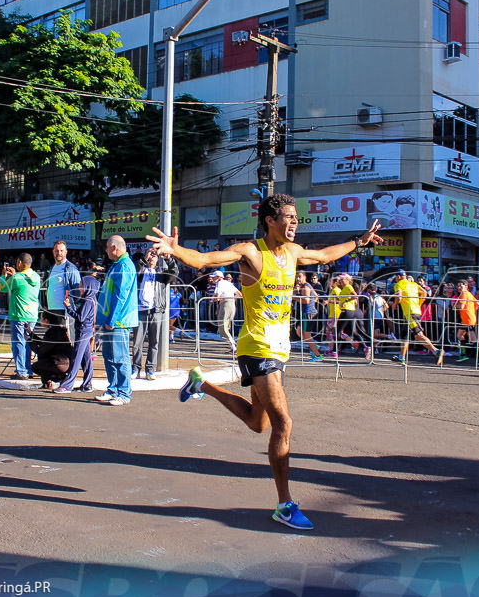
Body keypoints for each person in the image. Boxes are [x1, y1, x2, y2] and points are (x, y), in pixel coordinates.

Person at [146, 193, 383, 531]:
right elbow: (204, 260)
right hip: (256, 346)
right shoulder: (250, 252)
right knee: (283, 422)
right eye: (289, 217)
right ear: (270, 220)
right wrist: (175, 250)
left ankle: (201, 384)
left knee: (260, 424)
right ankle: (285, 505)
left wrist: (358, 242)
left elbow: (325, 254)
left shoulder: (293, 252)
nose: (295, 223)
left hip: (279, 349)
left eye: (297, 218)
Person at [95, 235, 138, 406]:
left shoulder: (125, 266)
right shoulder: (117, 265)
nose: (105, 251)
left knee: (120, 357)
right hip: (111, 320)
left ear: (114, 248)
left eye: (106, 247)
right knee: (109, 356)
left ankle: (124, 393)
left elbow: (121, 296)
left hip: (118, 321)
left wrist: (112, 320)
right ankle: (113, 389)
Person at [131, 247, 179, 380]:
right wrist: (143, 259)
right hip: (140, 310)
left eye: (154, 255)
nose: (152, 257)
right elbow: (135, 270)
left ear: (158, 259)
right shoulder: (140, 271)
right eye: (150, 255)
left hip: (156, 310)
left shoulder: (162, 273)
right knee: (137, 342)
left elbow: (174, 272)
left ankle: (150, 369)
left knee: (154, 341)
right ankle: (135, 368)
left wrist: (168, 259)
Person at [57, 274, 99, 393]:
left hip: (83, 332)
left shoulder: (88, 301)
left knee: (76, 358)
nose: (80, 288)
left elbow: (80, 317)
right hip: (87, 331)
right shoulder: (91, 299)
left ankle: (67, 385)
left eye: (82, 285)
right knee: (86, 359)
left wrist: (69, 308)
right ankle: (87, 384)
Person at [391, 270, 441, 365]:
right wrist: (419, 303)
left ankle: (436, 351)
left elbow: (399, 296)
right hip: (414, 311)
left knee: (418, 335)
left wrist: (394, 304)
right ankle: (401, 357)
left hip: (410, 313)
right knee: (405, 335)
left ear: (398, 276)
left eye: (396, 277)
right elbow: (424, 292)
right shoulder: (413, 284)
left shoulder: (398, 284)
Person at [8, 252, 41, 379]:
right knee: (28, 342)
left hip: (19, 314)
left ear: (20, 263)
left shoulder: (16, 279)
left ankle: (21, 370)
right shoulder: (37, 277)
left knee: (18, 342)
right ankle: (28, 369)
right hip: (32, 313)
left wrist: (4, 275)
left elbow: (2, 287)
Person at [46, 240, 81, 340]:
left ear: (66, 252)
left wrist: (73, 307)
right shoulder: (52, 268)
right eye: (57, 251)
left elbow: (77, 291)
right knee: (54, 339)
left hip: (65, 310)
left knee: (67, 339)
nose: (59, 253)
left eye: (61, 250)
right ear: (53, 252)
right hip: (52, 309)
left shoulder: (71, 268)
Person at [29, 312, 72, 389]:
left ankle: (58, 379)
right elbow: (45, 343)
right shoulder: (60, 330)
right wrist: (32, 335)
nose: (40, 321)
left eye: (41, 319)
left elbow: (41, 350)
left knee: (35, 366)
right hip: (68, 363)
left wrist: (29, 342)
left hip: (59, 363)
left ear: (46, 320)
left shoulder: (52, 332)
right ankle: (55, 379)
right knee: (44, 358)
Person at [293, 270, 325, 361]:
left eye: (300, 277)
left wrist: (294, 298)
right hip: (307, 313)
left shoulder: (306, 287)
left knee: (306, 335)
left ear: (304, 277)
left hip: (308, 313)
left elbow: (306, 300)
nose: (298, 279)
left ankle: (318, 355)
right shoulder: (303, 286)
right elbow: (315, 296)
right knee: (299, 332)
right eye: (296, 277)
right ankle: (314, 345)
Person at [454, 280, 479, 364]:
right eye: (458, 286)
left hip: (468, 320)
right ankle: (464, 354)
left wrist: (454, 305)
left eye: (461, 286)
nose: (459, 287)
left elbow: (461, 306)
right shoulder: (469, 293)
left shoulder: (464, 294)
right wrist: (472, 311)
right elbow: (478, 304)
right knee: (460, 335)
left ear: (466, 286)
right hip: (467, 319)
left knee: (473, 338)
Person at [209, 268, 240, 352]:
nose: (212, 278)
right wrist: (232, 300)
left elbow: (217, 296)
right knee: (226, 326)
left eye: (214, 277)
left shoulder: (219, 283)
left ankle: (233, 344)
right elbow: (238, 294)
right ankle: (233, 347)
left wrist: (215, 299)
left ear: (218, 277)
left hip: (225, 304)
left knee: (223, 327)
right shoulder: (228, 283)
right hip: (231, 304)